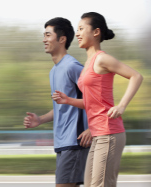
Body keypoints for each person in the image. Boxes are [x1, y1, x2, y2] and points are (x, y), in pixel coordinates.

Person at [52, 12, 143, 187]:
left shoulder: (102, 58)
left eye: (81, 29)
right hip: (97, 134)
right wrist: (68, 100)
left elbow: (136, 76)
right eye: (77, 30)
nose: (77, 34)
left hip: (109, 132)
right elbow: (92, 103)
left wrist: (122, 105)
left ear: (96, 32)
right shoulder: (87, 63)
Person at [23, 17, 92, 187]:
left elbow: (96, 99)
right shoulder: (54, 71)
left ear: (62, 39)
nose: (44, 39)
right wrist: (40, 120)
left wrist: (92, 128)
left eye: (48, 35)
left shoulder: (72, 67)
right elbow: (63, 107)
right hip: (62, 143)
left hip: (75, 142)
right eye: (44, 35)